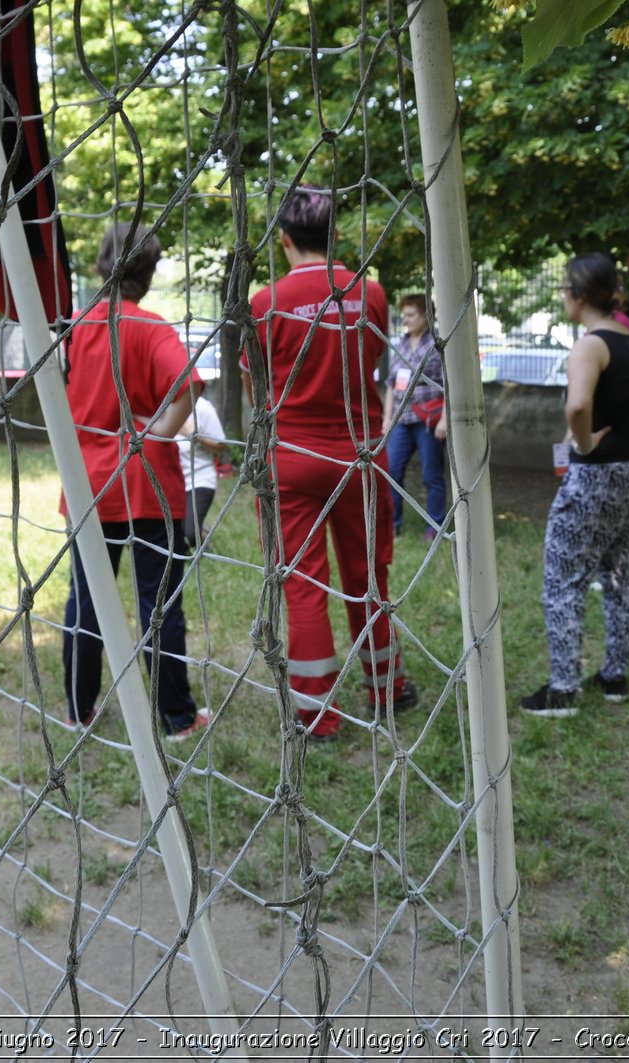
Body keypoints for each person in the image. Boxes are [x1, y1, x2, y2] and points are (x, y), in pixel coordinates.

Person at [243, 185, 416, 740]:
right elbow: (370, 358)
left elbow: (256, 383)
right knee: (369, 578)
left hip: (292, 459)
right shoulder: (371, 294)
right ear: (336, 235)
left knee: (303, 587)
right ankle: (387, 690)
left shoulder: (264, 303)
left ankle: (315, 717)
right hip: (359, 457)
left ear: (284, 240)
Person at [61, 221, 204, 741]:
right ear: (150, 272)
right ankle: (177, 718)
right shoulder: (152, 328)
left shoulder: (74, 326)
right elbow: (189, 382)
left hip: (88, 487)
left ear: (102, 264)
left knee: (86, 602)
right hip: (146, 486)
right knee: (159, 605)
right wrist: (159, 429)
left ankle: (79, 712)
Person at [523, 252, 629, 717]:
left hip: (595, 479)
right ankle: (614, 677)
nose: (563, 297)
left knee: (563, 580)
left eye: (564, 290)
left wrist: (584, 445)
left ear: (580, 295)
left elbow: (576, 408)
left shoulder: (590, 345)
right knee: (620, 575)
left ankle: (563, 689)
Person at [381, 293, 447, 540]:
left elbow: (451, 384)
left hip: (429, 420)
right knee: (392, 471)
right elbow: (390, 384)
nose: (405, 320)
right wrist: (387, 418)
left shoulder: (438, 344)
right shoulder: (400, 344)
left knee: (431, 475)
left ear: (426, 316)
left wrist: (445, 420)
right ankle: (393, 525)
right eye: (404, 315)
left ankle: (435, 527)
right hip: (402, 419)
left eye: (411, 315)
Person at [176, 375, 225, 545]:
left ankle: (203, 537)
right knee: (173, 535)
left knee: (188, 535)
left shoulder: (203, 407)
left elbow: (220, 445)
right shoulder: (159, 406)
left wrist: (195, 437)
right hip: (172, 481)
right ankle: (198, 527)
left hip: (200, 479)